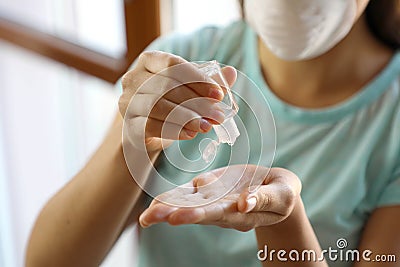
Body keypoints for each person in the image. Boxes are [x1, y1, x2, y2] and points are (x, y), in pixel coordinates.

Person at [26, 0, 400, 266]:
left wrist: (282, 223)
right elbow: (49, 261)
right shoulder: (185, 60)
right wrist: (137, 141)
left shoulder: (391, 119)